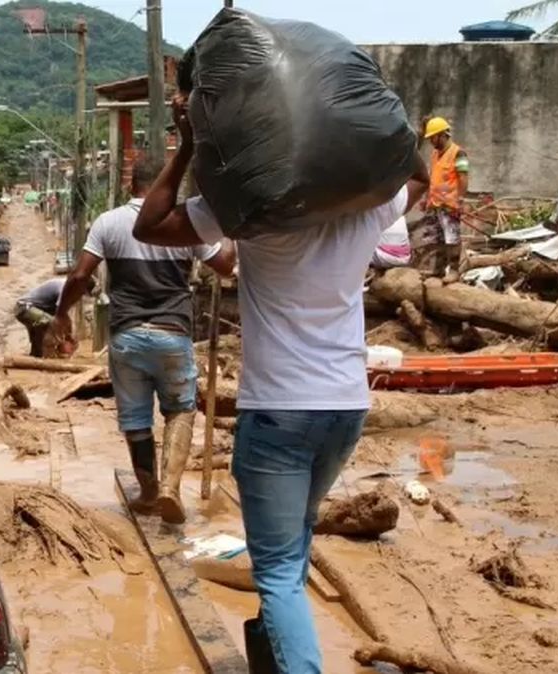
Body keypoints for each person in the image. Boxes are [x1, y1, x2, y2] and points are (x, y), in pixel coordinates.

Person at [133, 94, 429, 674]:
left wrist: (189, 142)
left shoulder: (250, 209)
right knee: (293, 541)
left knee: (275, 574)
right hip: (345, 409)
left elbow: (150, 223)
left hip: (279, 416)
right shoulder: (364, 209)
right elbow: (419, 175)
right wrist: (391, 121)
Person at [51, 158, 235, 523]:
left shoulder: (108, 222)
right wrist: (227, 225)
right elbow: (226, 265)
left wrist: (61, 313)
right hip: (172, 334)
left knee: (135, 417)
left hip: (126, 337)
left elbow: (79, 275)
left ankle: (148, 492)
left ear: (130, 185)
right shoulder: (184, 224)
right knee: (180, 410)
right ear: (170, 187)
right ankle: (169, 487)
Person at [414, 116, 469, 275]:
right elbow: (433, 177)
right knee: (436, 239)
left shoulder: (458, 153)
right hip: (435, 204)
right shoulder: (435, 154)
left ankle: (453, 271)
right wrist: (426, 199)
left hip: (450, 205)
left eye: (433, 138)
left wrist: (460, 200)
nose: (431, 141)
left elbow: (463, 177)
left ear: (443, 135)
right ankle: (437, 270)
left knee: (452, 239)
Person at [14, 277, 94, 357]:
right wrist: (63, 341)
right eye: (82, 292)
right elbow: (60, 318)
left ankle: (37, 356)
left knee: (40, 339)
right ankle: (48, 356)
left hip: (34, 309)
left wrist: (68, 336)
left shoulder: (69, 288)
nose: (81, 295)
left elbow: (64, 316)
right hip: (23, 308)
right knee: (51, 323)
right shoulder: (65, 289)